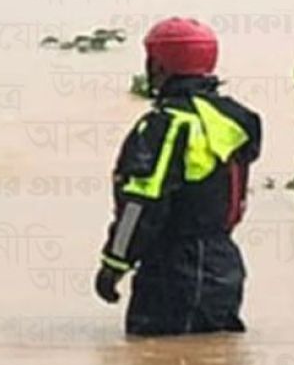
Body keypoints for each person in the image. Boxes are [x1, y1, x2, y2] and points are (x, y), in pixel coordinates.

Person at [93, 18, 262, 336]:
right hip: (223, 266)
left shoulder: (164, 127)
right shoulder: (235, 120)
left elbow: (140, 205)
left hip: (173, 271)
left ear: (158, 66)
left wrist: (114, 263)